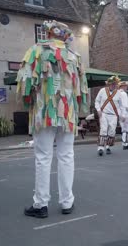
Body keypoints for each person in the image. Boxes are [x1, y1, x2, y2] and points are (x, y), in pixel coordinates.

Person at [17, 20, 88, 218]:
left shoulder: (35, 51)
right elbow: (81, 89)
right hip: (67, 113)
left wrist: (29, 101)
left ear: (48, 33)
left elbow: (26, 84)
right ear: (65, 36)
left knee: (43, 157)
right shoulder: (75, 56)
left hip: (44, 111)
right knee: (66, 156)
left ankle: (41, 204)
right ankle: (67, 202)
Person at [95, 76, 122, 156]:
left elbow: (120, 106)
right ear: (109, 84)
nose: (113, 85)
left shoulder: (118, 93)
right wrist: (98, 110)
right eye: (112, 84)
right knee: (103, 130)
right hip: (104, 114)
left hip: (113, 115)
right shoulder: (102, 91)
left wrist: (120, 116)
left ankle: (108, 146)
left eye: (115, 84)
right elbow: (97, 101)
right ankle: (100, 148)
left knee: (112, 132)